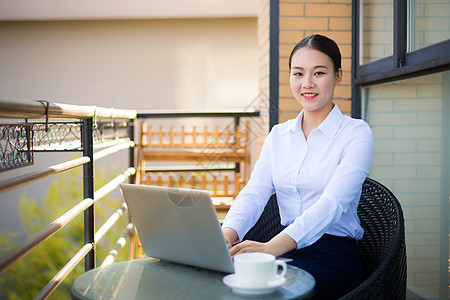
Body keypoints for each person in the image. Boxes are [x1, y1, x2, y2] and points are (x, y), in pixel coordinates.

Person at [221, 34, 374, 299]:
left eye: (319, 73)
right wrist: (227, 233)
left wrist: (271, 248)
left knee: (261, 295)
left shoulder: (356, 133)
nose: (307, 83)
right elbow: (255, 192)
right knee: (221, 283)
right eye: (298, 73)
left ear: (337, 76)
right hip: (285, 252)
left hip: (332, 258)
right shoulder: (278, 136)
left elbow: (332, 204)